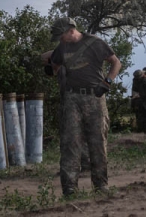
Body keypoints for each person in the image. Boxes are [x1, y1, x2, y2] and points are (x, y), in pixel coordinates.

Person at [49, 17, 122, 197]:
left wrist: (107, 82)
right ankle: (69, 189)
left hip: (94, 97)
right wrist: (56, 71)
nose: (60, 40)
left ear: (70, 30)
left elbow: (116, 62)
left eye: (61, 36)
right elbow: (54, 64)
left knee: (98, 142)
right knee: (70, 143)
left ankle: (100, 185)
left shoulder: (95, 43)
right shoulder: (62, 48)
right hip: (72, 98)